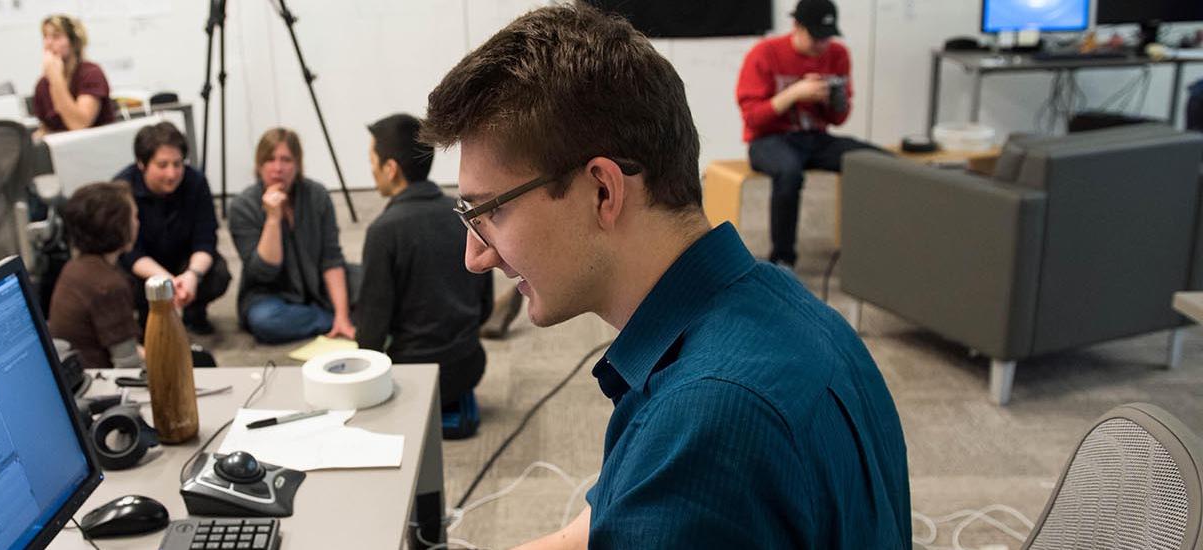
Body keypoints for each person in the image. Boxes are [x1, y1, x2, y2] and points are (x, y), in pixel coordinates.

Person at [423, 5, 909, 548]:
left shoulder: (709, 422)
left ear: (603, 192)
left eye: (490, 211)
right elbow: (605, 525)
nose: (475, 255)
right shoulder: (785, 309)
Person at [355, 113, 492, 440]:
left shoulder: (383, 232)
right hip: (468, 367)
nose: (371, 170)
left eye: (373, 161)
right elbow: (484, 308)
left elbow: (371, 338)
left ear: (391, 169)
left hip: (411, 378)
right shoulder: (463, 216)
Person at [737, 0, 880, 268]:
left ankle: (876, 251)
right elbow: (753, 119)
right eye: (815, 37)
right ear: (796, 27)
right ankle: (783, 259)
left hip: (815, 138)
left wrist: (832, 100)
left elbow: (839, 119)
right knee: (789, 172)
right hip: (768, 140)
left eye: (826, 38)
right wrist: (794, 94)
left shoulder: (838, 54)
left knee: (875, 162)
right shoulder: (765, 54)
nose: (821, 45)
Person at [227, 128, 357, 344]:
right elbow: (264, 272)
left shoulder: (317, 195)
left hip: (317, 284)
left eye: (286, 160)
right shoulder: (243, 205)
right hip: (270, 295)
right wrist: (272, 219)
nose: (277, 168)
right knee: (265, 320)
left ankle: (338, 316)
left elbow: (331, 258)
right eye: (270, 160)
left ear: (297, 164)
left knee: (372, 283)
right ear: (259, 165)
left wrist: (342, 315)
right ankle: (326, 318)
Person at [111, 121, 231, 335]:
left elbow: (206, 238)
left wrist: (192, 276)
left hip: (184, 260)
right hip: (143, 268)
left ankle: (194, 312)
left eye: (178, 164)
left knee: (218, 273)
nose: (172, 174)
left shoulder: (196, 182)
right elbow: (128, 251)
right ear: (142, 163)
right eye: (162, 165)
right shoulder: (122, 188)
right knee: (121, 282)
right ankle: (147, 320)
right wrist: (166, 281)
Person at [49, 182, 143, 370]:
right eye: (134, 217)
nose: (138, 223)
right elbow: (128, 364)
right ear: (118, 227)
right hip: (99, 383)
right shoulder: (109, 286)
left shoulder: (75, 267)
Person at [33, 14, 116, 135]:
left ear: (73, 42)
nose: (48, 43)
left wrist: (56, 79)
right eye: (45, 36)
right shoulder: (43, 84)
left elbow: (79, 124)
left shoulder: (91, 74)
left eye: (56, 37)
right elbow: (46, 128)